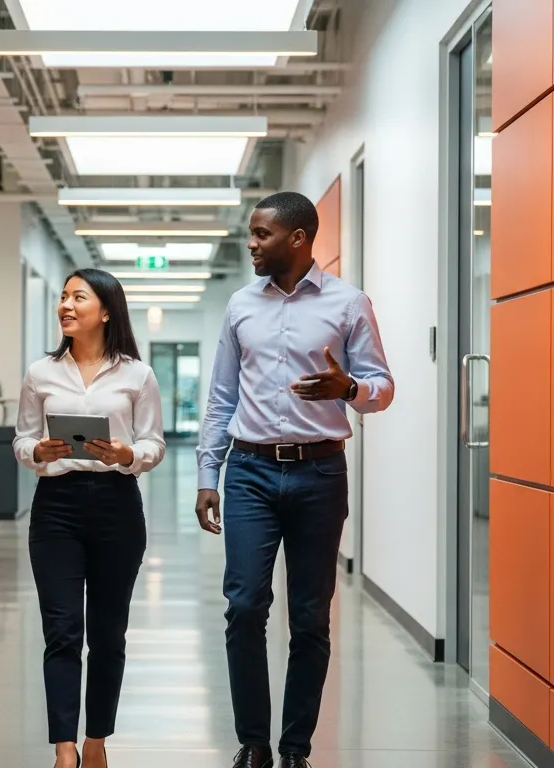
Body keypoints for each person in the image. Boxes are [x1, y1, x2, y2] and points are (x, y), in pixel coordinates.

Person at [196, 192, 395, 768]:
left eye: (261, 235)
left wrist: (349, 390)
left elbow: (382, 386)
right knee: (244, 606)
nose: (251, 244)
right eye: (251, 234)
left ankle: (295, 749)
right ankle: (253, 742)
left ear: (299, 238)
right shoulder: (240, 306)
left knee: (309, 616)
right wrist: (210, 473)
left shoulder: (349, 303)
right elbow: (220, 399)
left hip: (320, 472)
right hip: (251, 472)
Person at [13, 268, 166, 768]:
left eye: (78, 297)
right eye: (62, 297)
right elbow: (21, 440)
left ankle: (96, 742)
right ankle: (64, 749)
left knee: (107, 633)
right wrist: (38, 448)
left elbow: (154, 444)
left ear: (105, 310)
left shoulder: (137, 374)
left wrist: (126, 454)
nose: (66, 305)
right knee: (61, 630)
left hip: (117, 506)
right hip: (56, 504)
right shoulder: (40, 372)